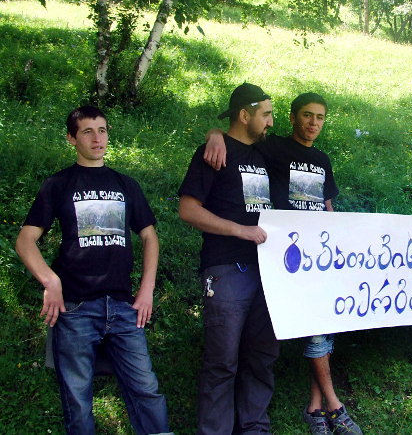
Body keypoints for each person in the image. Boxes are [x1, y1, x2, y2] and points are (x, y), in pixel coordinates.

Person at [204, 93, 362, 434]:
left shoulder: (322, 159)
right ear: (292, 118)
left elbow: (327, 207)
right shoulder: (271, 147)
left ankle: (316, 406)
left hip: (316, 258)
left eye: (320, 117)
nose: (313, 122)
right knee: (241, 353)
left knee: (318, 325)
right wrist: (214, 134)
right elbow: (237, 137)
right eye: (307, 115)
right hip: (279, 258)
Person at [15, 106, 171, 434]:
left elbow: (149, 236)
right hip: (75, 308)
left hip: (124, 307)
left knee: (146, 390)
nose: (97, 138)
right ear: (72, 138)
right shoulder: (58, 184)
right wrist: (50, 281)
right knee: (77, 399)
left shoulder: (125, 184)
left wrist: (146, 290)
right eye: (87, 131)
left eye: (102, 130)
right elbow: (25, 240)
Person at [178, 83, 279, 434]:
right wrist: (239, 230)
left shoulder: (265, 153)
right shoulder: (212, 153)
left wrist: (215, 130)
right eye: (266, 114)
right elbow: (188, 210)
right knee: (222, 362)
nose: (271, 122)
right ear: (245, 115)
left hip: (269, 272)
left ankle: (255, 428)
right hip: (226, 270)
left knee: (262, 357)